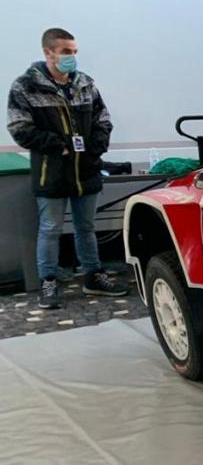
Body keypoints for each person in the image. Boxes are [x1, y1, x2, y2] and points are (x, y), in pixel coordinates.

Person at [8, 28, 129, 309]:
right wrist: (58, 145)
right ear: (48, 51)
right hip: (51, 172)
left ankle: (93, 276)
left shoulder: (85, 83)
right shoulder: (25, 86)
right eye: (65, 52)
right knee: (50, 228)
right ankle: (48, 281)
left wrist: (97, 146)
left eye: (74, 52)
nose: (71, 57)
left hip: (86, 170)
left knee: (86, 227)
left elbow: (104, 119)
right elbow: (19, 128)